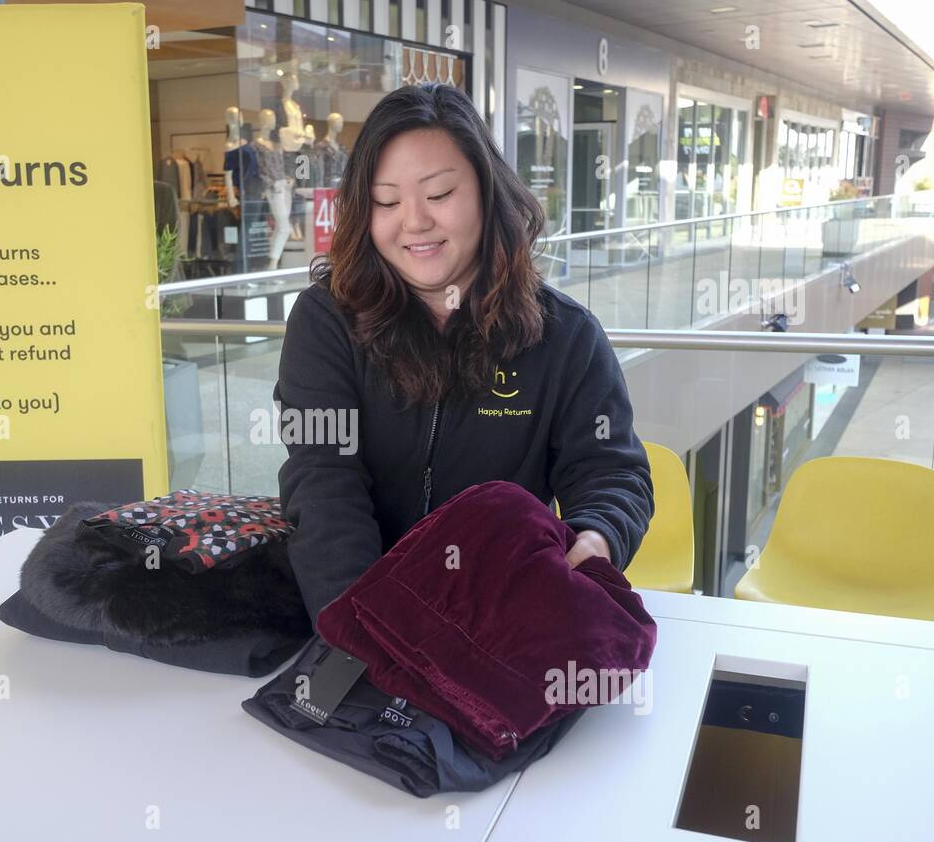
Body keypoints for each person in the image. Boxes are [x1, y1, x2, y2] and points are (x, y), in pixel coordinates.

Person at [274, 83, 655, 628]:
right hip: (360, 609)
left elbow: (609, 472)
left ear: (485, 190)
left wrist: (597, 535)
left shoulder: (566, 336)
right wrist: (364, 636)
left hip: (495, 617)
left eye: (439, 194)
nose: (413, 221)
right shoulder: (326, 321)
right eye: (386, 200)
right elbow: (323, 480)